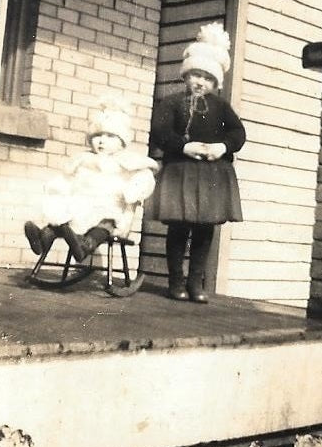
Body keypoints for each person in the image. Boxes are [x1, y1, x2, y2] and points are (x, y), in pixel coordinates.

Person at [149, 22, 246, 304]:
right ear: (186, 75)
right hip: (181, 172)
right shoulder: (172, 103)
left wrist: (222, 147)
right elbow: (160, 131)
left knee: (205, 229)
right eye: (196, 75)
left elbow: (238, 133)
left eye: (207, 78)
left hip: (212, 174)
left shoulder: (221, 107)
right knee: (179, 228)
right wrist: (184, 146)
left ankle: (196, 283)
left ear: (215, 83)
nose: (200, 82)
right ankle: (175, 282)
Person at [24, 96, 158, 263]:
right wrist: (58, 192)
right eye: (97, 135)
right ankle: (42, 238)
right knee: (61, 219)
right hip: (81, 205)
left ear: (122, 142)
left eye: (110, 136)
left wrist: (131, 199)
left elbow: (142, 181)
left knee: (105, 224)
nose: (102, 141)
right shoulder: (84, 159)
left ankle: (84, 246)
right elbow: (67, 179)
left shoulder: (128, 162)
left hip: (110, 208)